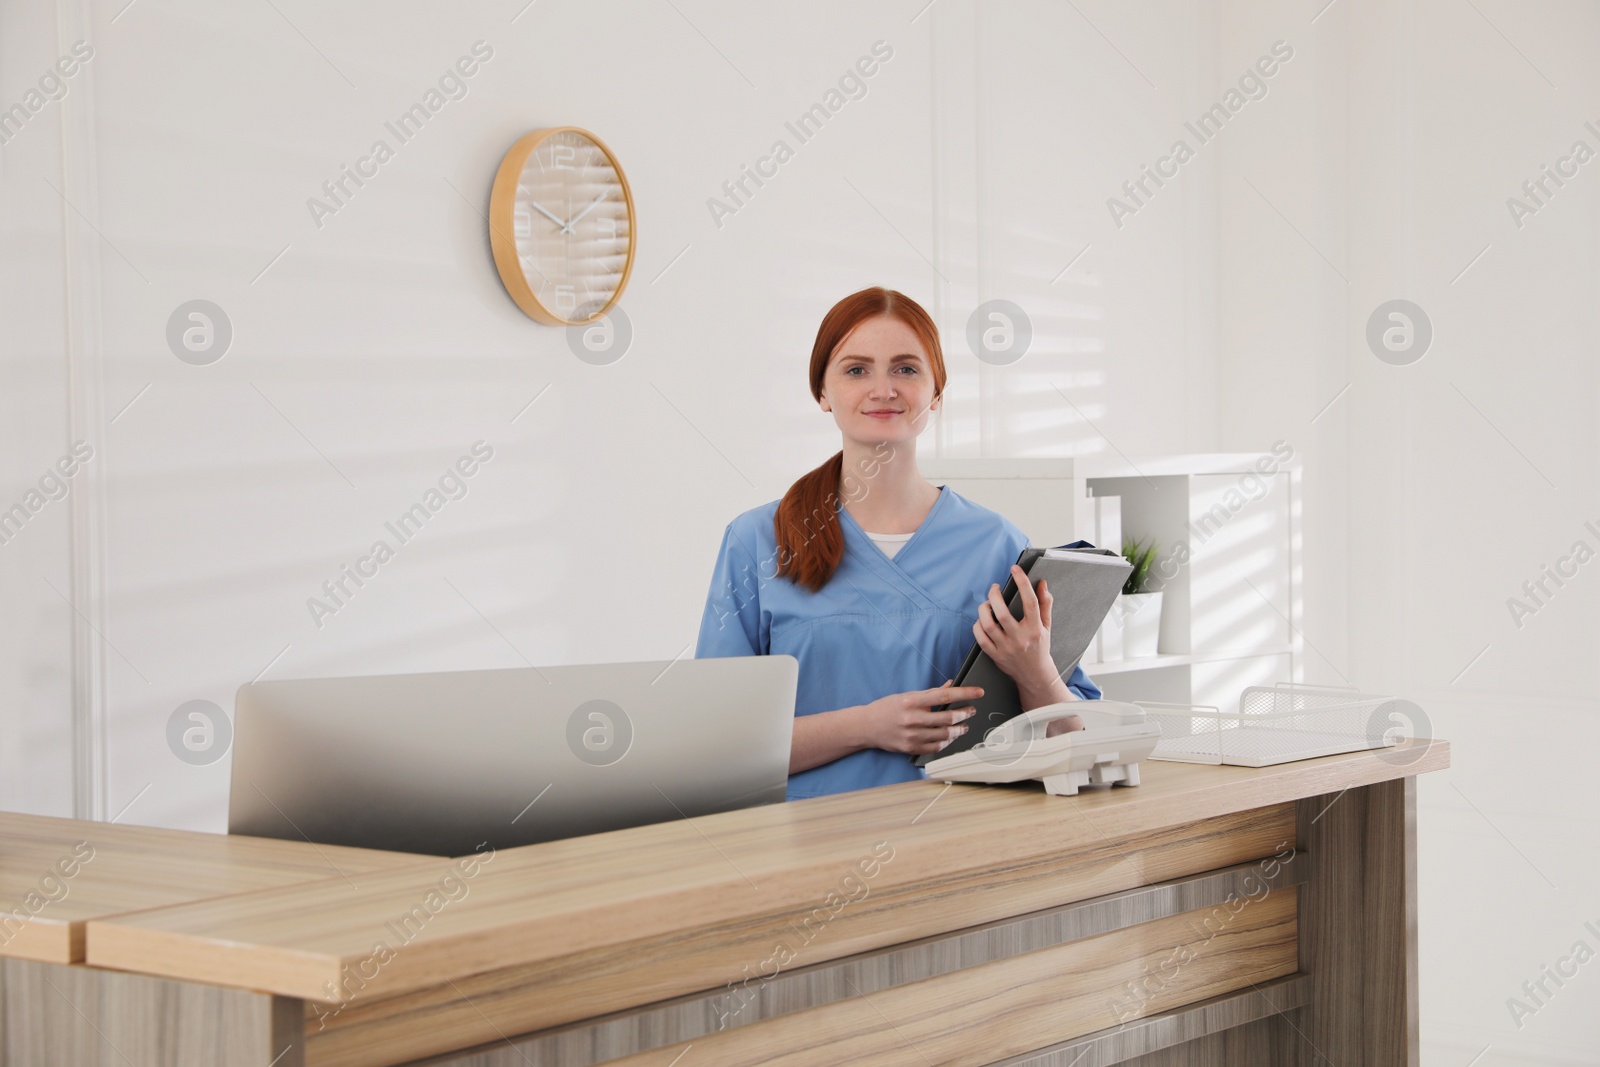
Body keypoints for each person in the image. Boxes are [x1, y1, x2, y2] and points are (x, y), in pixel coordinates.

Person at [695, 286, 1100, 800]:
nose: (883, 388)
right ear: (822, 392)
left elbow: (1077, 748)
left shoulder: (996, 544)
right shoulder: (756, 542)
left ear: (936, 393)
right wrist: (864, 726)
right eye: (856, 369)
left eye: (906, 369)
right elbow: (714, 743)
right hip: (802, 850)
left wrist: (1038, 675)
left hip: (963, 846)